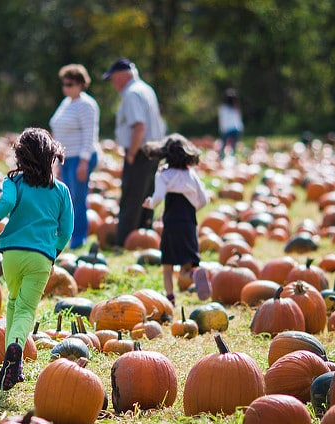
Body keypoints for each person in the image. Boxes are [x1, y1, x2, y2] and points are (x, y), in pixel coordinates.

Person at [0, 128, 73, 391]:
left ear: (21, 157)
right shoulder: (60, 191)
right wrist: (52, 253)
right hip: (40, 258)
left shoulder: (13, 183)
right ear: (50, 157)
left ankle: (11, 364)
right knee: (26, 309)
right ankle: (15, 348)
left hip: (12, 254)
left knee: (14, 302)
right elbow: (67, 230)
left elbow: (4, 205)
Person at [102, 58, 166, 248]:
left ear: (123, 75)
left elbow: (139, 126)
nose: (113, 84)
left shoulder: (131, 94)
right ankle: (143, 235)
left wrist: (131, 153)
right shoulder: (146, 89)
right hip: (154, 150)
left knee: (131, 197)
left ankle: (124, 242)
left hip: (140, 151)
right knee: (146, 195)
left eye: (113, 78)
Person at [142, 133, 210, 305]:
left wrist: (149, 204)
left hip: (171, 223)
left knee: (168, 266)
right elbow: (204, 199)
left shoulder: (163, 174)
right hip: (189, 223)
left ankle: (170, 298)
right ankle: (194, 274)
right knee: (187, 264)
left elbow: (157, 198)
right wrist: (191, 210)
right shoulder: (191, 174)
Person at [50, 64, 100, 249]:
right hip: (66, 157)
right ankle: (69, 236)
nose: (66, 87)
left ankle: (79, 238)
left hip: (80, 157)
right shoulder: (66, 103)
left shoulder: (86, 105)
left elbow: (90, 134)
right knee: (67, 199)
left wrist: (84, 161)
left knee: (77, 199)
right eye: (64, 84)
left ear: (80, 84)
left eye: (70, 84)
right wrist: (56, 160)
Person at [218, 88, 244, 159]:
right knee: (233, 145)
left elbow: (222, 120)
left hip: (227, 129)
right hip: (236, 128)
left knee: (224, 144)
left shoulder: (223, 108)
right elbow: (239, 119)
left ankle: (223, 157)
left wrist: (222, 129)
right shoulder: (235, 108)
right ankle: (231, 157)